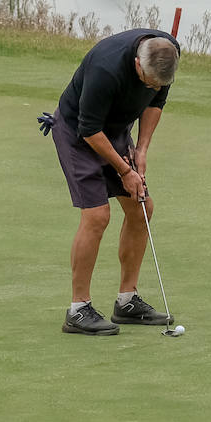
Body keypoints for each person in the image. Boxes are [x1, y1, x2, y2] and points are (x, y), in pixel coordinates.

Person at [48, 29, 181, 335]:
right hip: (78, 133)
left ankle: (127, 301)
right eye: (149, 82)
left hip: (116, 131)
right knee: (97, 215)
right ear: (137, 65)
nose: (154, 87)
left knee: (141, 208)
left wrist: (142, 149)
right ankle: (78, 311)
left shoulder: (166, 54)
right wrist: (125, 170)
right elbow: (89, 129)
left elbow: (155, 102)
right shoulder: (105, 68)